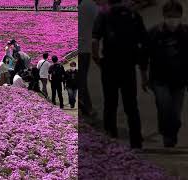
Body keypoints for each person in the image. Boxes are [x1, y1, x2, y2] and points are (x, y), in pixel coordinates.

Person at [92, 0, 148, 149]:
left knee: (110, 103)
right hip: (128, 66)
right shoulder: (133, 15)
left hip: (109, 65)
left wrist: (98, 60)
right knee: (131, 105)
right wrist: (143, 72)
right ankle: (136, 142)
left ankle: (111, 140)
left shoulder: (104, 15)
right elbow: (143, 44)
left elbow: (95, 40)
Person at [142, 0, 188, 147]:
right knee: (164, 107)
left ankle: (170, 136)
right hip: (159, 80)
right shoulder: (154, 33)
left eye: (175, 16)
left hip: (180, 81)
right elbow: (144, 56)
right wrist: (144, 77)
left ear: (180, 16)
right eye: (169, 16)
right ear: (164, 16)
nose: (172, 19)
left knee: (175, 113)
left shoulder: (186, 33)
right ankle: (167, 135)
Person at [79, 0, 99, 116]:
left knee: (81, 79)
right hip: (83, 48)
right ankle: (86, 107)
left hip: (82, 48)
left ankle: (87, 106)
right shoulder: (89, 4)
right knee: (81, 79)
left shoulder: (87, 5)